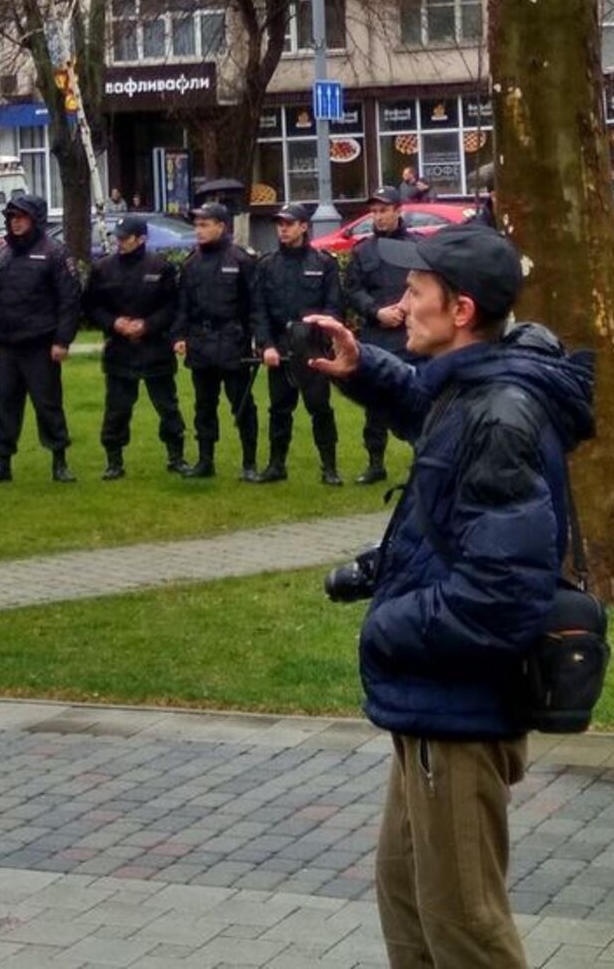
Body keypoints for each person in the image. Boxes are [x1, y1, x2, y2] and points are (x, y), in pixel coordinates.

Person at [307, 225, 595, 969]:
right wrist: (365, 369)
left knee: (464, 926)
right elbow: (434, 418)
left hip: (459, 707)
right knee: (409, 901)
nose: (399, 306)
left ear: (461, 310)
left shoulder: (501, 414)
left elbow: (503, 594)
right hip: (433, 700)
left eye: (415, 293)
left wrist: (388, 627)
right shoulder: (471, 389)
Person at [0, 193, 81, 484]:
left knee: (48, 405)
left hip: (41, 345)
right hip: (7, 345)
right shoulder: (3, 254)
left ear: (35, 219)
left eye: (21, 217)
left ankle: (59, 462)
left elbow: (69, 300)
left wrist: (62, 340)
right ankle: (2, 463)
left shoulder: (55, 252)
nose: (15, 222)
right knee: (5, 406)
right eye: (11, 217)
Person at [84, 215, 187, 479]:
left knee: (167, 406)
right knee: (117, 408)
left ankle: (176, 456)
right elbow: (91, 306)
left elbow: (172, 306)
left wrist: (148, 325)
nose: (119, 242)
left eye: (125, 238)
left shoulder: (161, 267)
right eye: (117, 237)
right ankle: (114, 461)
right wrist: (114, 323)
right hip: (119, 348)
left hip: (155, 346)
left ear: (141, 239)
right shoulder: (103, 268)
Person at [254, 202, 344, 484]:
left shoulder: (323, 263)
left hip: (312, 346)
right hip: (280, 347)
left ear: (304, 226)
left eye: (289, 224)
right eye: (280, 224)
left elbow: (334, 307)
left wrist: (320, 336)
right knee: (279, 409)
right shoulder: (267, 265)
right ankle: (276, 465)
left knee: (320, 408)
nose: (283, 229)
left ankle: (330, 468)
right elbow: (259, 311)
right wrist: (266, 345)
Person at [172, 202, 261, 481]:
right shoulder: (191, 263)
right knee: (204, 405)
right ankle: (205, 460)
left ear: (221, 226)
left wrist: (259, 340)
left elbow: (256, 305)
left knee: (242, 404)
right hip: (201, 342)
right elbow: (183, 305)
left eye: (204, 225)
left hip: (233, 341)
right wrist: (179, 335)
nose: (198, 230)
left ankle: (249, 463)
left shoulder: (241, 260)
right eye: (196, 225)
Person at [345, 185, 417, 484]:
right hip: (377, 334)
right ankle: (375, 463)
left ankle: (421, 459)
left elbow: (428, 284)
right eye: (374, 211)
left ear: (398, 210)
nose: (378, 216)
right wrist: (376, 312)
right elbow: (353, 289)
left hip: (412, 335)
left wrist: (404, 309)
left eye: (384, 210)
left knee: (417, 397)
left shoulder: (417, 246)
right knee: (375, 402)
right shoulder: (363, 250)